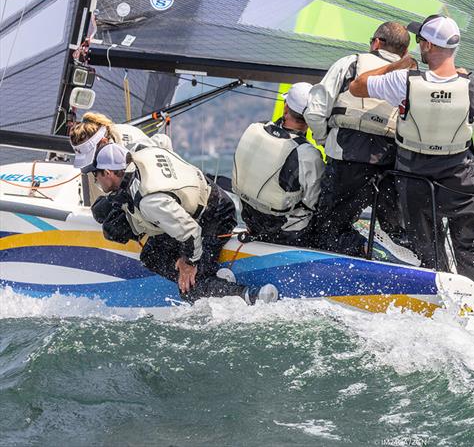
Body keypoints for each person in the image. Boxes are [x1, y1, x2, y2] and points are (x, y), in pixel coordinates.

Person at [348, 14, 474, 349]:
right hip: (460, 183)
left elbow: (356, 86)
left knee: (431, 255)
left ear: (427, 46)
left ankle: (448, 314)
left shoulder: (404, 82)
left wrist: (396, 67)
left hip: (415, 185)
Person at [83, 142, 275, 304]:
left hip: (215, 215)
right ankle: (209, 278)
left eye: (96, 176)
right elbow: (163, 140)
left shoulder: (149, 201)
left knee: (189, 289)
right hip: (196, 202)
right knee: (150, 255)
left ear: (108, 173)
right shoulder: (142, 151)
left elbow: (192, 232)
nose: (96, 180)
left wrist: (188, 263)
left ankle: (249, 294)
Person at [304, 22, 411, 257]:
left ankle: (363, 252)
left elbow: (315, 111)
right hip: (395, 163)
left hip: (347, 158)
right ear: (404, 52)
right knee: (400, 233)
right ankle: (416, 268)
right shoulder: (412, 78)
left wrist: (324, 140)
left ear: (376, 42)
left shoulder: (350, 63)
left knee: (328, 228)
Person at [232, 83, 324, 247]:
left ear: (285, 107)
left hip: (250, 221)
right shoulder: (308, 154)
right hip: (285, 234)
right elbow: (315, 202)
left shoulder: (255, 128)